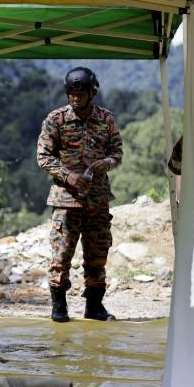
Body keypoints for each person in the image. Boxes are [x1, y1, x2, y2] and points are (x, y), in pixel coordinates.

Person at [36, 67, 123, 323]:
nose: (75, 98)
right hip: (66, 201)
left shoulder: (106, 119)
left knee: (97, 255)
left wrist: (105, 163)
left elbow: (117, 153)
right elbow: (43, 157)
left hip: (97, 200)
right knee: (61, 255)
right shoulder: (56, 119)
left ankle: (94, 306)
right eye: (71, 93)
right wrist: (67, 175)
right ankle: (59, 306)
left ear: (91, 92)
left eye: (80, 93)